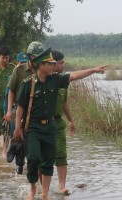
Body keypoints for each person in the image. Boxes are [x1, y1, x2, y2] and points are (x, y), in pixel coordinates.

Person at [13, 48, 108, 200]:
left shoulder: (56, 80)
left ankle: (45, 193)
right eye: (50, 64)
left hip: (50, 127)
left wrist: (93, 70)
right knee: (33, 159)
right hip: (33, 128)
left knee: (48, 160)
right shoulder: (28, 83)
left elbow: (75, 76)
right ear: (41, 65)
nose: (53, 67)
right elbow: (20, 107)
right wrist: (17, 128)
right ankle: (32, 190)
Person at [4, 41, 45, 174]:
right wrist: (9, 111)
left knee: (35, 146)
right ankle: (19, 162)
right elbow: (11, 91)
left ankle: (36, 171)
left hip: (36, 112)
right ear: (29, 56)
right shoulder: (19, 70)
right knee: (18, 136)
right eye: (34, 57)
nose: (37, 59)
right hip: (20, 109)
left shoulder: (43, 70)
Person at [51, 50, 75, 195]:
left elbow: (64, 102)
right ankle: (43, 188)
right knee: (43, 157)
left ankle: (61, 186)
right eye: (61, 63)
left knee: (61, 155)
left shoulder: (62, 82)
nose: (63, 65)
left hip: (58, 123)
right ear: (52, 64)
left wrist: (71, 120)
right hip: (43, 124)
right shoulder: (41, 80)